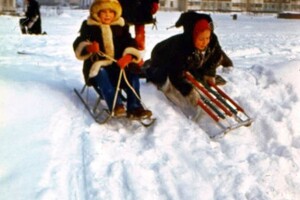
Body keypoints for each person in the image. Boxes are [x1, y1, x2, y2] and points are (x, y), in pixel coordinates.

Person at [73, 0, 152, 119]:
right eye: (103, 12)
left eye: (111, 11)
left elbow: (130, 42)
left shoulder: (121, 26)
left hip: (118, 67)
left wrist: (129, 56)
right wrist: (88, 47)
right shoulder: (89, 26)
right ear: (96, 13)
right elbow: (78, 43)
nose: (107, 15)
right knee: (101, 72)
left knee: (134, 72)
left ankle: (135, 106)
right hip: (97, 67)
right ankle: (116, 105)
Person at [145, 11, 233, 119]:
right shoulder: (182, 47)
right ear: (193, 36)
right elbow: (175, 74)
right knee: (163, 76)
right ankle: (148, 66)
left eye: (207, 38)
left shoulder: (212, 42)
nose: (204, 42)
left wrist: (209, 73)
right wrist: (188, 91)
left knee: (194, 67)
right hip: (162, 55)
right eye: (201, 39)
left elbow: (215, 57)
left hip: (188, 60)